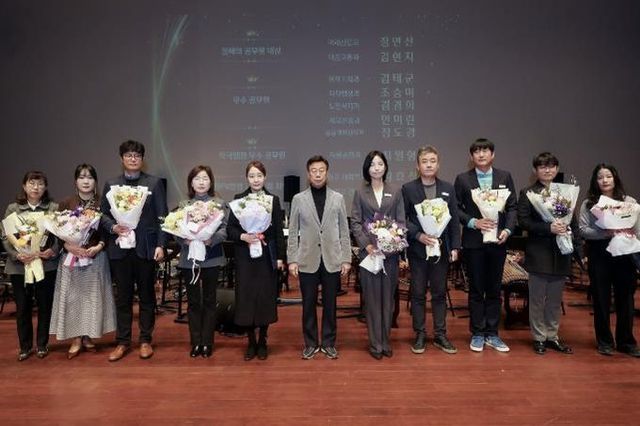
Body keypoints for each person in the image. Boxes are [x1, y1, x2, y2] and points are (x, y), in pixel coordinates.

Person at [100, 140, 168, 361]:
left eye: (137, 155)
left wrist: (161, 244)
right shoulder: (112, 184)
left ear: (142, 159)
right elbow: (102, 214)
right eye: (128, 155)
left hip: (145, 248)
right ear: (122, 159)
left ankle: (145, 340)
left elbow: (162, 217)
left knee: (147, 296)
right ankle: (122, 342)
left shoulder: (154, 183)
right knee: (123, 298)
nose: (133, 159)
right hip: (120, 248)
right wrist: (113, 227)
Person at [454, 138, 517, 352]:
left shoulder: (504, 177)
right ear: (471, 156)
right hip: (474, 242)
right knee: (476, 289)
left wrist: (507, 230)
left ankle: (493, 333)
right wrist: (474, 222)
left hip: (498, 241)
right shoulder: (463, 179)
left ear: (493, 154)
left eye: (485, 151)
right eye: (477, 151)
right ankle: (477, 333)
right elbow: (456, 209)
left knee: (494, 289)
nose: (481, 155)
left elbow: (512, 207)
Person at [287, 155, 351, 360]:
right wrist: (292, 259)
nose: (317, 174)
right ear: (308, 174)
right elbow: (293, 230)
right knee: (308, 304)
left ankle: (329, 343)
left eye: (321, 170)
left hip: (332, 258)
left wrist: (346, 258)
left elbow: (344, 231)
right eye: (313, 171)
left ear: (327, 173)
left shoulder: (338, 198)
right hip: (307, 258)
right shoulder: (299, 199)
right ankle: (311, 343)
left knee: (330, 304)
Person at [50, 164, 116, 359]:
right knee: (73, 298)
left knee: (92, 298)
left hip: (95, 257)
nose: (86, 181)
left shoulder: (103, 203)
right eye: (81, 177)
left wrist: (99, 246)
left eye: (90, 177)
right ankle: (76, 338)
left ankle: (88, 336)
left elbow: (107, 230)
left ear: (95, 181)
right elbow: (57, 231)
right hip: (71, 258)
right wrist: (68, 245)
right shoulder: (66, 203)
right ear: (75, 181)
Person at [402, 146, 461, 355]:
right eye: (424, 161)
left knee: (439, 293)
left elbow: (454, 219)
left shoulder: (448, 188)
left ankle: (440, 334)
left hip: (441, 250)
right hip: (418, 250)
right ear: (418, 166)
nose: (429, 165)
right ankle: (419, 333)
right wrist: (418, 235)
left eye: (432, 161)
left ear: (438, 164)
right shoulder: (408, 188)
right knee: (418, 293)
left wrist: (455, 246)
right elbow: (403, 219)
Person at [578, 163, 640, 357]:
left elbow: (637, 228)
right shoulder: (589, 203)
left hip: (625, 254)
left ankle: (626, 341)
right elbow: (583, 230)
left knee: (626, 299)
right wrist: (606, 232)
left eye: (608, 176)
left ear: (615, 178)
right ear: (595, 181)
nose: (604, 180)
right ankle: (604, 341)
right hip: (600, 254)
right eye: (600, 177)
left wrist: (631, 236)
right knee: (601, 299)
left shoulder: (629, 201)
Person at [517, 153, 576, 355]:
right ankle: (539, 337)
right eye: (542, 167)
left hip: (561, 252)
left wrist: (574, 243)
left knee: (554, 300)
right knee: (536, 299)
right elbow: (523, 222)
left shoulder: (566, 192)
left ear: (557, 169)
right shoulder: (528, 193)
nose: (547, 170)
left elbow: (573, 221)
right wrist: (548, 228)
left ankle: (553, 336)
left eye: (551, 166)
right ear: (535, 170)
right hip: (539, 252)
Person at [228, 161, 285, 361]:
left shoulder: (273, 200)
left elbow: (278, 231)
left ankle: (263, 340)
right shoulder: (238, 200)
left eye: (259, 175)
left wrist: (280, 257)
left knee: (264, 297)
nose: (256, 179)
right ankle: (251, 341)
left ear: (265, 177)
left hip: (266, 256)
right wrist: (244, 236)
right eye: (252, 176)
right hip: (245, 257)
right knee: (247, 298)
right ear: (247, 178)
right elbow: (230, 228)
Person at [351, 151, 405, 360]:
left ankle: (386, 341)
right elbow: (356, 223)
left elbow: (400, 221)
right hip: (370, 255)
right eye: (372, 164)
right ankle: (375, 343)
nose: (376, 167)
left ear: (385, 167)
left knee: (388, 300)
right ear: (367, 168)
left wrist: (392, 242)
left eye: (380, 164)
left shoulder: (396, 191)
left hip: (390, 255)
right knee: (372, 300)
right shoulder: (360, 192)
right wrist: (367, 245)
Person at [2, 171, 60, 361]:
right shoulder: (13, 208)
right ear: (24, 186)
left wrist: (52, 251)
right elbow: (6, 236)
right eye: (32, 183)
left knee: (45, 306)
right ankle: (25, 347)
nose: (36, 187)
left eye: (40, 184)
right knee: (22, 307)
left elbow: (59, 235)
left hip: (45, 265)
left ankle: (42, 344)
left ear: (45, 187)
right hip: (20, 267)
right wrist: (16, 254)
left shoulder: (52, 208)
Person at [177, 165, 228, 359]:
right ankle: (195, 342)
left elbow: (224, 229)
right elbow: (174, 228)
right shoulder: (184, 205)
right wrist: (184, 239)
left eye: (205, 178)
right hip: (189, 259)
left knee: (209, 300)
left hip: (211, 257)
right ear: (191, 182)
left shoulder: (219, 204)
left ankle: (207, 342)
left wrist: (211, 239)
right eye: (197, 178)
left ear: (211, 182)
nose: (201, 182)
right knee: (193, 302)